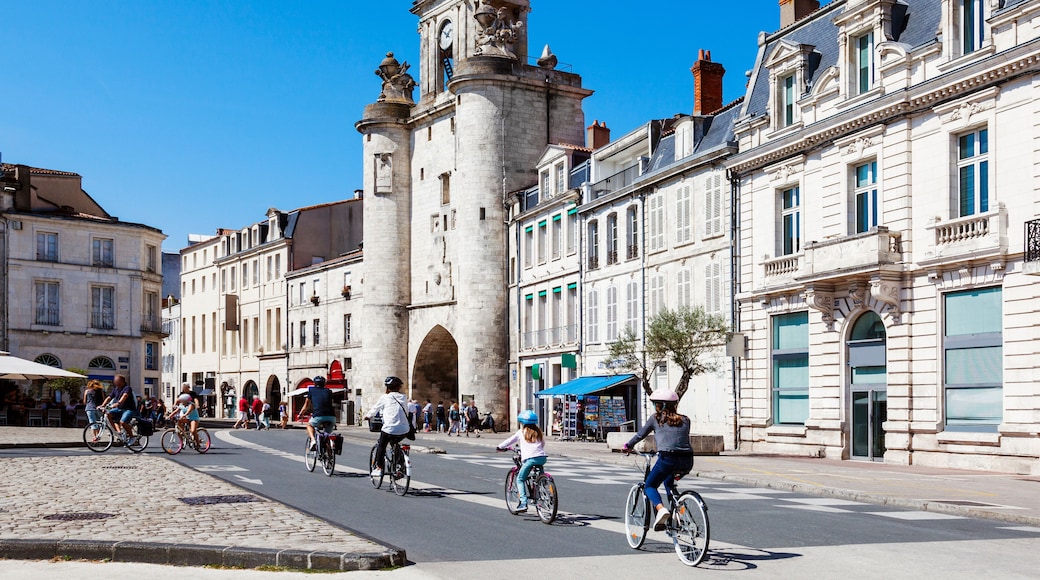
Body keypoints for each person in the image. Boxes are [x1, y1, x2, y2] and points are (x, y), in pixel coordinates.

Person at [622, 388, 692, 532]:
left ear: (659, 405)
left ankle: (661, 509)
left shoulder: (656, 419)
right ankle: (677, 513)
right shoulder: (686, 420)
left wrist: (628, 446)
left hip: (667, 458)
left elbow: (640, 435)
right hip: (687, 460)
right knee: (668, 483)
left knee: (650, 486)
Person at [496, 410, 547, 513]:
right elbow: (542, 444)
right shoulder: (538, 432)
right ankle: (542, 488)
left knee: (520, 479)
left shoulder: (521, 432)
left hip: (530, 459)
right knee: (538, 474)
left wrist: (500, 446)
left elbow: (510, 440)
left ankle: (523, 503)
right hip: (542, 458)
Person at [364, 376, 411, 478]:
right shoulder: (404, 397)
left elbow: (375, 408)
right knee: (395, 443)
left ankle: (379, 468)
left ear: (388, 388)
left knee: (381, 445)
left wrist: (368, 416)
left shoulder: (385, 397)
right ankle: (399, 466)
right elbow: (406, 412)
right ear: (399, 387)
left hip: (389, 428)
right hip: (405, 429)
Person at [298, 376, 336, 448]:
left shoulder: (311, 391)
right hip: (331, 416)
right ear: (324, 383)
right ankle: (330, 441)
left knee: (309, 425)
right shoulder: (329, 391)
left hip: (318, 415)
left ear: (314, 383)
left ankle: (313, 440)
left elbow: (306, 405)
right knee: (327, 433)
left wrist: (300, 414)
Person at [101, 375, 137, 443]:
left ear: (121, 381)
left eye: (116, 380)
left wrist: (118, 403)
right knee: (108, 414)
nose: (114, 381)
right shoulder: (115, 389)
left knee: (123, 422)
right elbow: (109, 398)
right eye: (115, 380)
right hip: (119, 409)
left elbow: (125, 396)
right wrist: (102, 405)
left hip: (128, 409)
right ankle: (117, 432)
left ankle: (132, 437)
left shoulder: (127, 388)